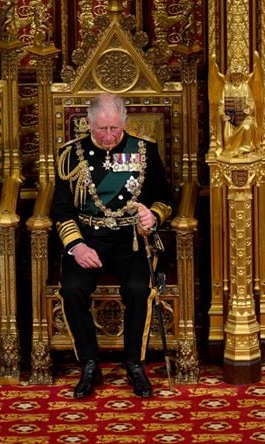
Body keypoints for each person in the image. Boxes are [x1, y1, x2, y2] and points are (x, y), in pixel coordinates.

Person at [51, 93, 172, 399]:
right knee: (73, 289)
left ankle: (134, 363)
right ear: (88, 124)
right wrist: (76, 245)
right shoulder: (70, 156)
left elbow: (165, 198)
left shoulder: (144, 151)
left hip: (131, 238)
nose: (107, 137)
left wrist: (153, 214)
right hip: (88, 238)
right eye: (100, 129)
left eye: (114, 129)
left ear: (124, 122)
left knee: (138, 288)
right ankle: (90, 363)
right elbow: (62, 209)